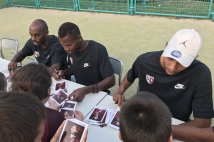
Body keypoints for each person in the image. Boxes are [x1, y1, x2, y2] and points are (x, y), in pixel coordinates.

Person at [113, 29, 213, 128]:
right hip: (142, 117)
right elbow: (131, 75)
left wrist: (163, 131)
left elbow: (203, 123)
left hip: (176, 124)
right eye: (170, 58)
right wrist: (119, 91)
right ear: (166, 46)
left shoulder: (201, 74)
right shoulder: (144, 61)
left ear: (194, 58)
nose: (172, 67)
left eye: (182, 62)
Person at [10, 63, 83, 142]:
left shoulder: (6, 107)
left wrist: (51, 109)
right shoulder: (54, 119)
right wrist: (78, 124)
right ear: (48, 91)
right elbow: (68, 139)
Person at [53, 22, 115, 102]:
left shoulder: (98, 50)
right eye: (63, 45)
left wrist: (86, 90)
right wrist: (63, 73)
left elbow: (111, 80)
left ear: (79, 38)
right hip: (80, 90)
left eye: (68, 45)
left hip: (99, 93)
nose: (66, 49)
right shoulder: (71, 50)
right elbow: (75, 67)